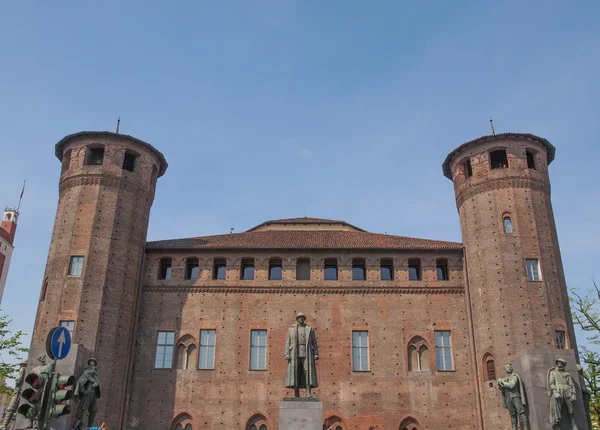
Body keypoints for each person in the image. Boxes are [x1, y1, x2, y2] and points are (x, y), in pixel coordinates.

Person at [285, 312, 319, 397]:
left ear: (304, 319)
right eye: (299, 317)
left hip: (307, 352)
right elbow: (287, 342)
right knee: (295, 372)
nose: (301, 319)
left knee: (307, 372)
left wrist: (316, 353)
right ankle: (296, 393)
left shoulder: (309, 329)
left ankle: (308, 393)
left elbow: (314, 342)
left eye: (302, 317)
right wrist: (286, 353)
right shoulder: (291, 329)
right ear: (297, 319)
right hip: (294, 353)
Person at [548, 358, 577, 430]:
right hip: (558, 392)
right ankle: (558, 426)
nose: (559, 365)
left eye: (561, 363)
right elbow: (551, 383)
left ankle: (574, 425)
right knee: (558, 410)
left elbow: (572, 384)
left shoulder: (567, 374)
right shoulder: (553, 373)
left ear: (564, 365)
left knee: (571, 410)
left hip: (567, 392)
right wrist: (554, 391)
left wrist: (574, 394)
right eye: (558, 363)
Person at [497, 364, 529, 430]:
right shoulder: (505, 379)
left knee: (521, 413)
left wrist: (502, 381)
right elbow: (503, 389)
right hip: (508, 398)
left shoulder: (514, 376)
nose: (508, 368)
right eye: (507, 367)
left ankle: (526, 428)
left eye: (509, 367)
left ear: (512, 368)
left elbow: (511, 385)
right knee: (513, 415)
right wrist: (500, 385)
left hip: (515, 396)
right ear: (505, 370)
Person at [73, 357, 101, 430]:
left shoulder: (95, 375)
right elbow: (80, 382)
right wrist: (83, 391)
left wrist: (96, 384)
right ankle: (77, 424)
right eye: (91, 362)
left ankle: (90, 426)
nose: (93, 363)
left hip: (94, 394)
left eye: (94, 362)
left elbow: (97, 382)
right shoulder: (86, 373)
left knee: (93, 410)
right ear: (89, 364)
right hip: (87, 393)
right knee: (82, 409)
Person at [577, 364, 592, 430]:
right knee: (586, 414)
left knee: (586, 414)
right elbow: (583, 388)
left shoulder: (580, 376)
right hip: (584, 395)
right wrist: (588, 392)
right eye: (581, 369)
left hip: (585, 396)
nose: (582, 370)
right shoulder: (579, 376)